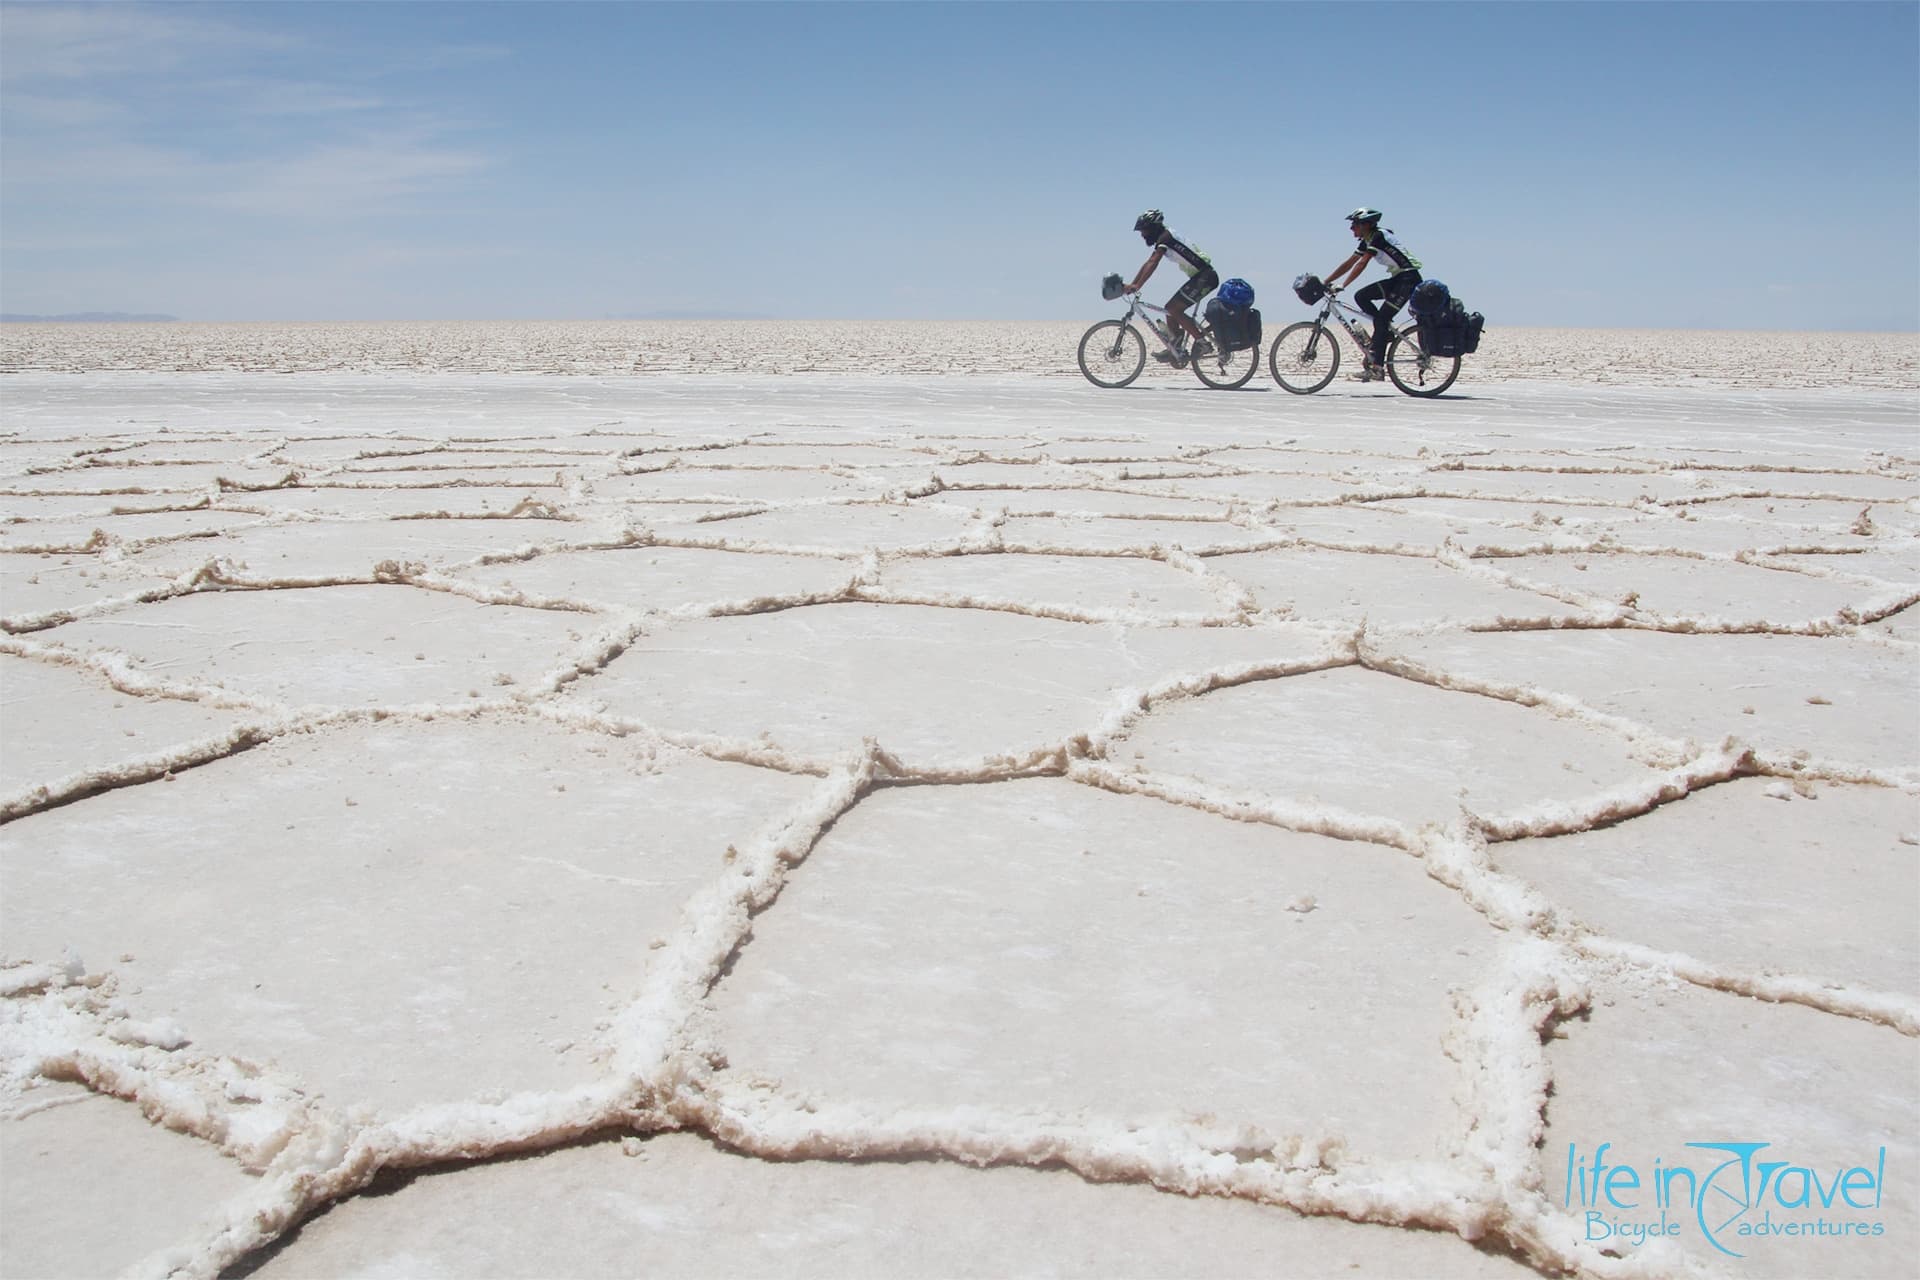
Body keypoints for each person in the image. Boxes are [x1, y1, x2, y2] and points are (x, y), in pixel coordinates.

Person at [1323, 207, 1422, 381]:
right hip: (1398, 279)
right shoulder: (1368, 239)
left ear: (1366, 224)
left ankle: (1377, 368)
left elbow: (1362, 263)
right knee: (1361, 296)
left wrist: (1343, 285)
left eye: (1354, 224)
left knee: (1382, 319)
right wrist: (1325, 282)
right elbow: (1349, 263)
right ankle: (1384, 334)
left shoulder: (1378, 237)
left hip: (1408, 279)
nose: (1351, 228)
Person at [1122, 209, 1219, 364]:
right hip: (1201, 277)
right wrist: (1134, 284)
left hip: (1205, 277)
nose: (1142, 235)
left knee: (1174, 309)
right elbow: (1148, 262)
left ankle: (1203, 343)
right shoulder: (1164, 237)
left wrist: (1136, 285)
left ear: (1153, 227)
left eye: (1144, 231)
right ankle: (1176, 348)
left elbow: (1154, 263)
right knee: (1169, 310)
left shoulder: (1165, 238)